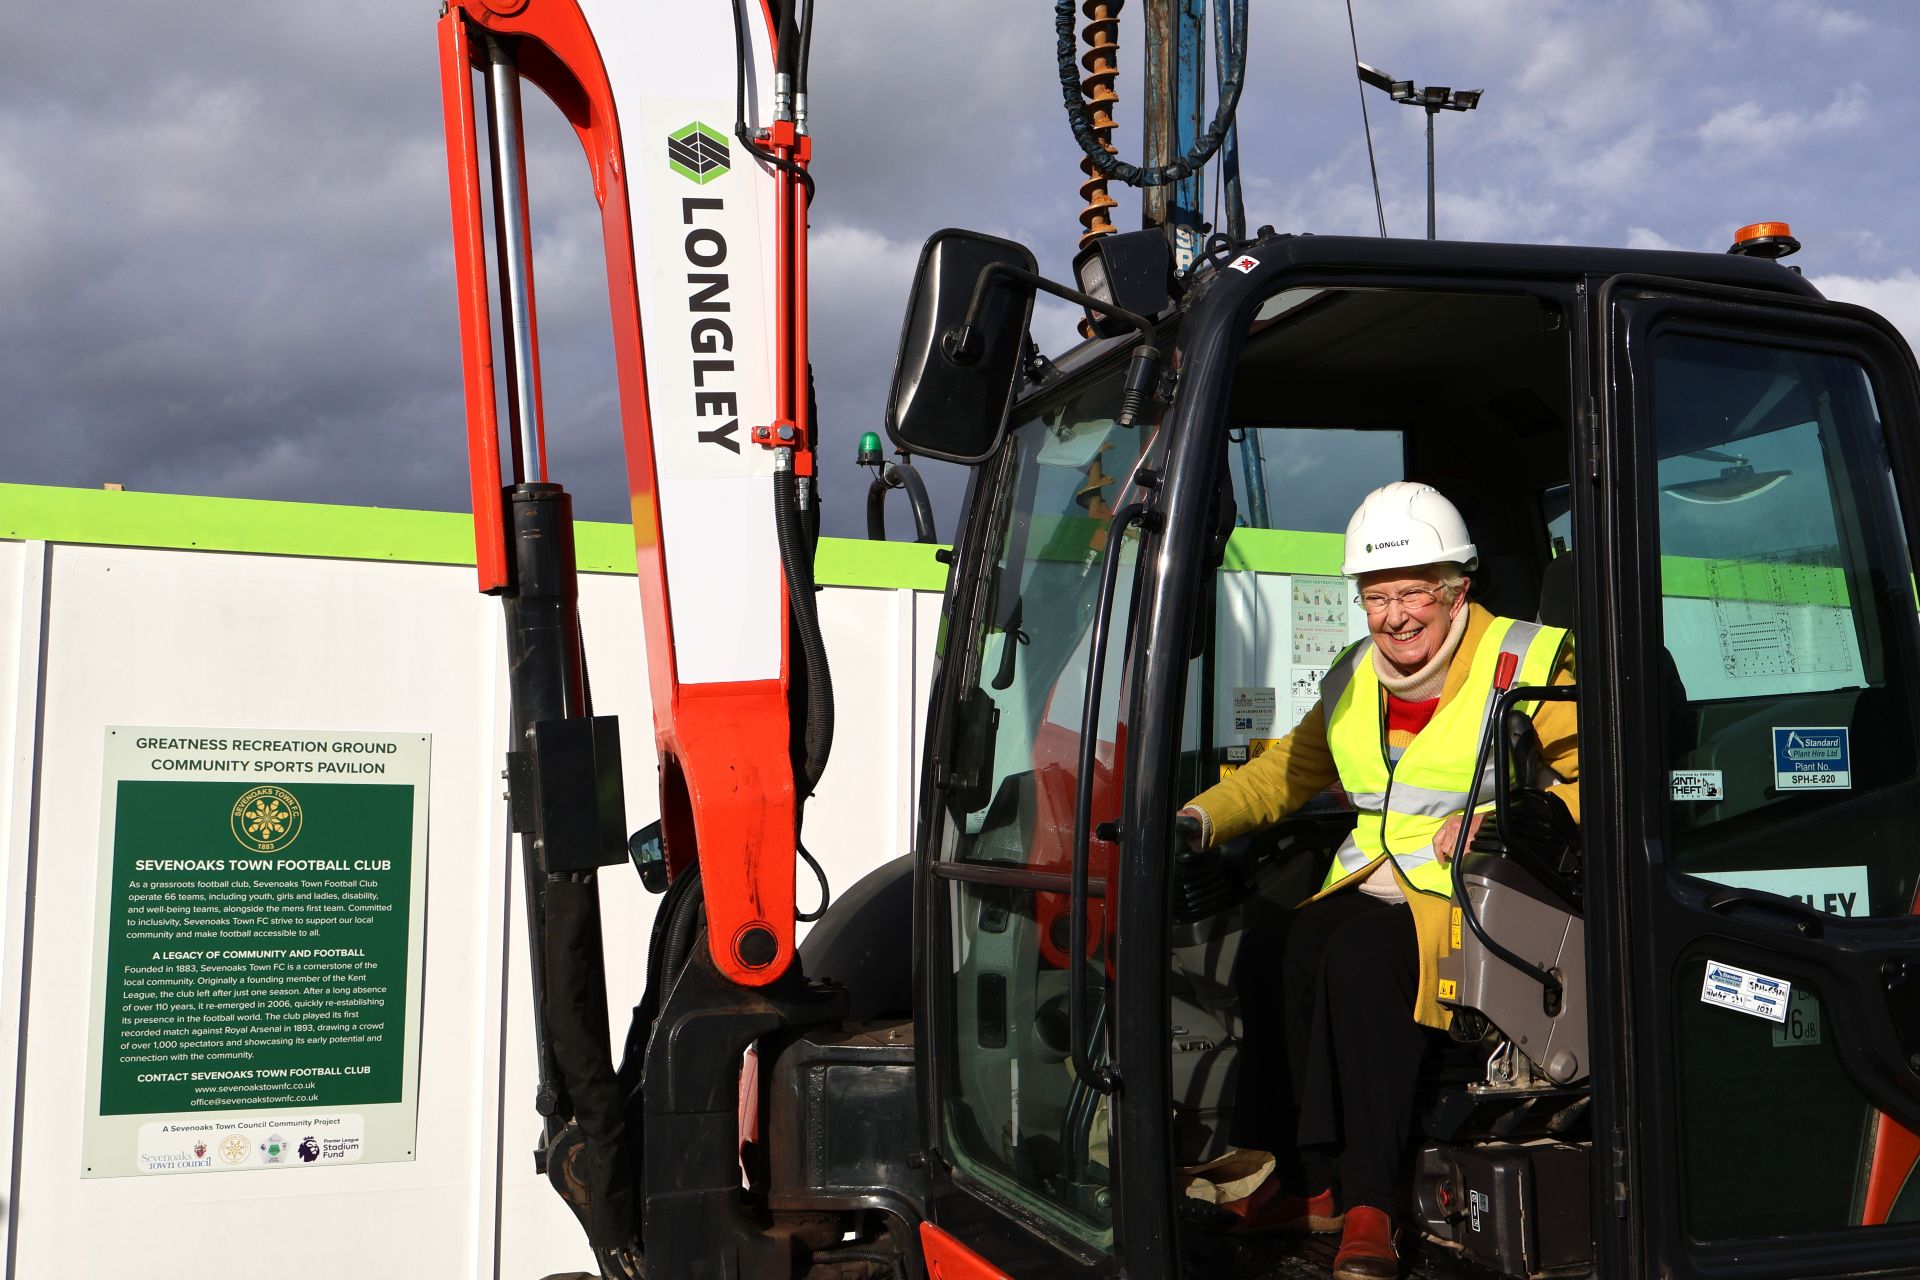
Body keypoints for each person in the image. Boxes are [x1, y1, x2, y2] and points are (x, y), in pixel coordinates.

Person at [1177, 481, 1578, 1280]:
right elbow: (1285, 773)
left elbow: (1594, 779)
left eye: (1411, 595)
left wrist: (1515, 821)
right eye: (1376, 596)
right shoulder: (1356, 673)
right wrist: (1196, 819)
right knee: (1269, 952)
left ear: (1456, 589)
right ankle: (1306, 1183)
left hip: (1483, 897)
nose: (1395, 616)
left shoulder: (1530, 660)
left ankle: (1371, 1204)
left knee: (1361, 964)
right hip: (1376, 878)